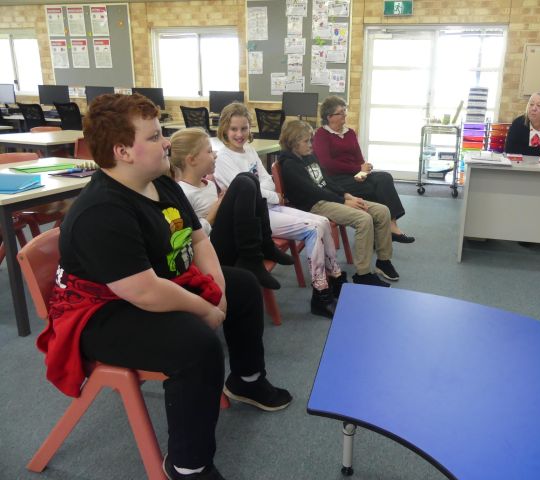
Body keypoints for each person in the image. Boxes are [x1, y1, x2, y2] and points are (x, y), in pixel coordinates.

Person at [38, 94, 291, 480]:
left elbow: (199, 240)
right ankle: (188, 464)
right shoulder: (102, 211)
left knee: (241, 283)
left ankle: (247, 380)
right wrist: (206, 309)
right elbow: (142, 291)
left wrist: (218, 289)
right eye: (155, 136)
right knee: (195, 344)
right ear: (122, 151)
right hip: (100, 314)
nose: (166, 142)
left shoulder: (161, 183)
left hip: (151, 286)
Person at [213, 102, 347, 318]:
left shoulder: (249, 151)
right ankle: (320, 294)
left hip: (271, 207)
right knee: (313, 229)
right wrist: (273, 194)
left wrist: (270, 194)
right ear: (224, 130)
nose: (239, 134)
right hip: (256, 216)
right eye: (234, 129)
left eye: (244, 128)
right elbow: (248, 192)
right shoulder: (222, 160)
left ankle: (335, 277)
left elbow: (265, 181)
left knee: (321, 221)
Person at [169, 127, 294, 291]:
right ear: (192, 160)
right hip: (211, 253)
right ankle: (251, 258)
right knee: (243, 182)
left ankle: (266, 245)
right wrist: (211, 217)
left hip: (224, 242)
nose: (215, 155)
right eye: (209, 151)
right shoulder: (183, 192)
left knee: (248, 178)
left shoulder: (208, 184)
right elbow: (187, 240)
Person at [278, 120, 398, 287]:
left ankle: (383, 261)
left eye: (311, 140)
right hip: (315, 205)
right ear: (293, 142)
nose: (311, 144)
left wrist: (346, 194)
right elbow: (313, 192)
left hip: (330, 197)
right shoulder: (290, 165)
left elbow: (326, 180)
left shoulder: (310, 156)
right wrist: (344, 201)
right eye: (306, 141)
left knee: (383, 210)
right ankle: (363, 274)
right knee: (364, 219)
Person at [313, 96, 414, 244]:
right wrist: (357, 169)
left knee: (384, 178)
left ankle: (387, 228)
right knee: (378, 187)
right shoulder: (322, 134)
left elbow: (359, 158)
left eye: (344, 111)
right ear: (329, 117)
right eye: (340, 112)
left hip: (354, 176)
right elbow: (326, 164)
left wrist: (364, 171)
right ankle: (388, 229)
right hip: (335, 181)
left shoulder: (350, 133)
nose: (345, 115)